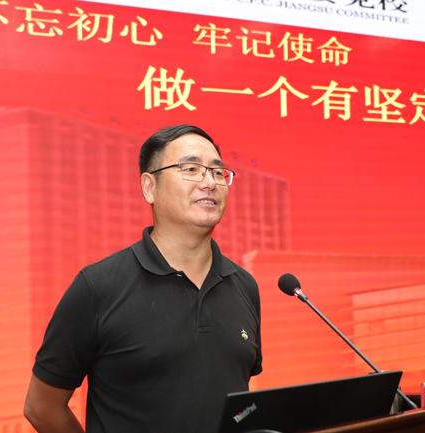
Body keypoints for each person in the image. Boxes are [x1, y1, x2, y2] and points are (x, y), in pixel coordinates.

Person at [24, 124, 263, 433]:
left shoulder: (244, 285)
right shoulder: (98, 286)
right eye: (191, 169)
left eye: (218, 172)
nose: (209, 182)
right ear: (149, 187)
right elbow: (41, 407)